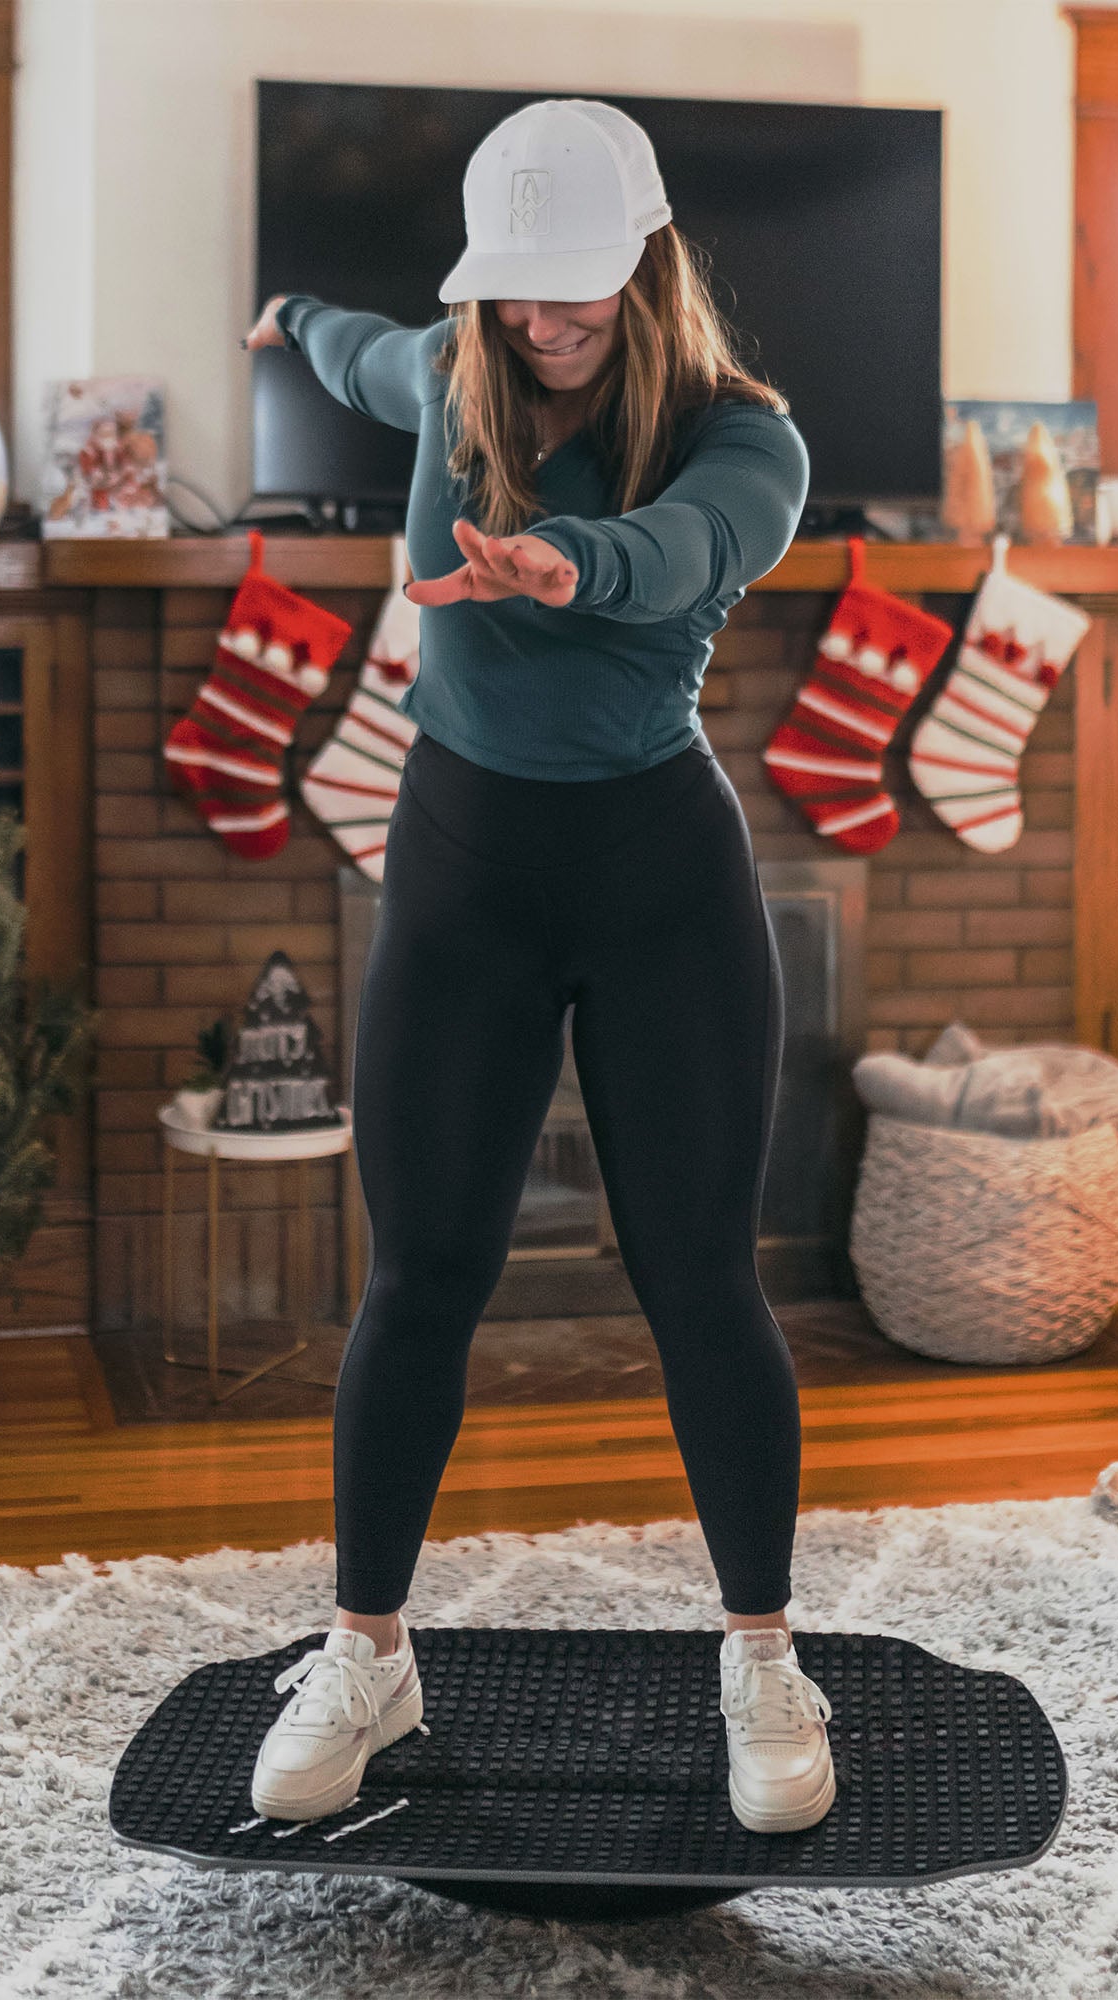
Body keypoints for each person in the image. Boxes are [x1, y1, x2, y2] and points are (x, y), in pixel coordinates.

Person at [239, 99, 832, 1838]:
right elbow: (364, 353)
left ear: (649, 265)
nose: (544, 324)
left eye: (574, 294)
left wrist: (563, 561)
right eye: (519, 297)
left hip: (659, 870)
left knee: (699, 1275)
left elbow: (692, 550)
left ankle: (760, 1649)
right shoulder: (448, 363)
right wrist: (294, 322)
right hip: (464, 865)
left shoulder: (745, 437)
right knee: (421, 1270)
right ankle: (369, 1647)